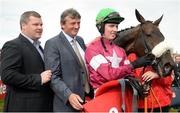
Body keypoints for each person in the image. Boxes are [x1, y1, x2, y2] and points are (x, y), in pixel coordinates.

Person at [85, 8, 152, 89]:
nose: (115, 29)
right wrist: (134, 64)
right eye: (111, 26)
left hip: (121, 93)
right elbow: (109, 75)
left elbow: (129, 73)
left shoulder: (121, 50)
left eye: (116, 26)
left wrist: (137, 83)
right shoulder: (92, 49)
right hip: (102, 94)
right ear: (101, 27)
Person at [0, 11, 53, 112]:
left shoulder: (40, 47)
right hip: (24, 107)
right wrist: (38, 79)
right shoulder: (13, 45)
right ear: (23, 25)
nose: (40, 27)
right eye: (35, 24)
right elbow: (7, 75)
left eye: (41, 24)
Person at [44, 8, 93, 112]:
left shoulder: (80, 40)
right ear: (62, 24)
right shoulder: (52, 43)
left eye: (79, 23)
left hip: (87, 100)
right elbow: (53, 76)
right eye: (73, 23)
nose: (77, 26)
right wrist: (69, 95)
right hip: (66, 105)